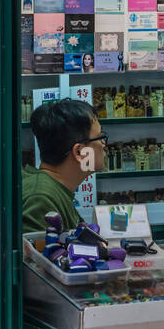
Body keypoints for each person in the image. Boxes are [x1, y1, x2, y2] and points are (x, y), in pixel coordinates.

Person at [22, 98, 106, 234]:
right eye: (100, 137)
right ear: (79, 152)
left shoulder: (55, 190)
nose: (104, 144)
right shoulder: (40, 198)